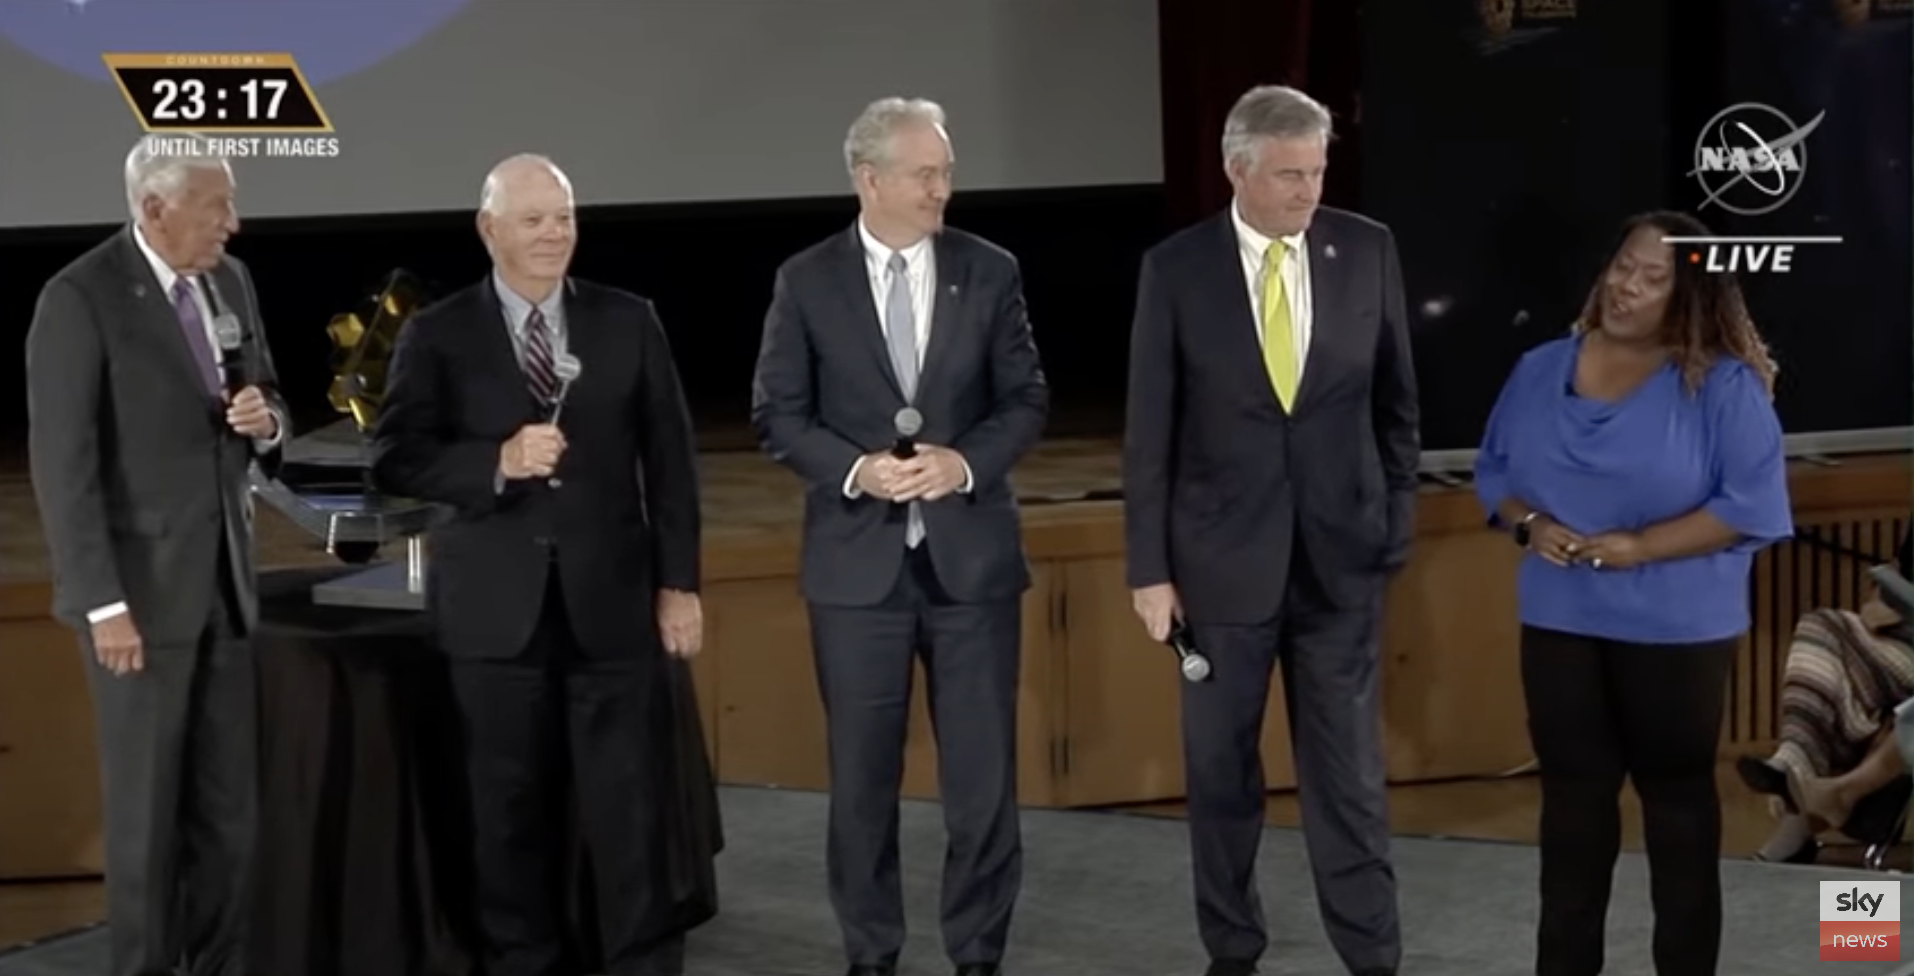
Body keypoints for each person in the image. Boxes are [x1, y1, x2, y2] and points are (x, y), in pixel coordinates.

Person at [370, 154, 704, 976]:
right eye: (534, 220)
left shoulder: (628, 321)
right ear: (490, 231)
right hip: (492, 613)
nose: (555, 233)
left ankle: (641, 961)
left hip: (613, 604)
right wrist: (496, 461)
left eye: (564, 217)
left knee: (628, 806)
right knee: (505, 810)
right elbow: (395, 459)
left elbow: (672, 465)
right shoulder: (438, 333)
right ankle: (524, 961)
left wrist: (680, 583)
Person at [1122, 84, 1418, 976]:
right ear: (1236, 169)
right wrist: (1149, 571)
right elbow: (1150, 432)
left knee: (1350, 779)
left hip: (1341, 562)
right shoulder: (1176, 270)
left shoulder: (1366, 249)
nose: (1307, 190)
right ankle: (1233, 949)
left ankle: (1373, 955)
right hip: (1216, 571)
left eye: (1318, 170)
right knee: (1221, 777)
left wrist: (1391, 527)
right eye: (1289, 173)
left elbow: (1396, 406)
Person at [750, 96, 1048, 976]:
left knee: (983, 786)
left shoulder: (989, 271)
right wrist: (857, 469)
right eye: (925, 173)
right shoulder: (805, 281)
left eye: (947, 171)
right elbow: (778, 414)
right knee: (862, 786)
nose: (941, 188)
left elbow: (1026, 400)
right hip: (856, 573)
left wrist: (961, 464)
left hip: (973, 568)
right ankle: (871, 953)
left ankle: (978, 954)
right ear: (868, 178)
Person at [1472, 209, 1794, 975]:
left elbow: (1748, 505)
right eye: (1624, 265)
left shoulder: (1724, 387)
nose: (1629, 286)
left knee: (1677, 804)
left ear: (1689, 295)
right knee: (1574, 805)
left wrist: (1639, 548)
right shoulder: (1539, 368)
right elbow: (1498, 478)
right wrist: (1530, 527)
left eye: (1654, 278)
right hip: (1560, 616)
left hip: (1675, 626)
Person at [25, 132, 287, 976]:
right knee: (143, 818)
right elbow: (64, 470)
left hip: (226, 590)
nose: (233, 226)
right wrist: (103, 603)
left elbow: (268, 394)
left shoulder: (231, 282)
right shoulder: (79, 300)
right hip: (136, 605)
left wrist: (266, 419)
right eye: (217, 207)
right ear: (154, 208)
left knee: (229, 814)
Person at [1735, 525, 1914, 862]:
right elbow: (1898, 572)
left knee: (1868, 707)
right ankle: (1795, 762)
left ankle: (1826, 799)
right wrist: (1882, 600)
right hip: (1905, 634)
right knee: (1822, 630)